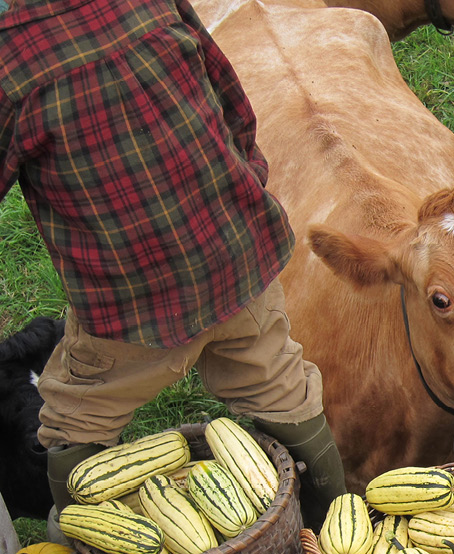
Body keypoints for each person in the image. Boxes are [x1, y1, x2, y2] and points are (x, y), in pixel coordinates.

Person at [0, 0, 347, 527]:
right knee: (281, 384)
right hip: (237, 250)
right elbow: (231, 98)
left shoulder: (9, 56)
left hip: (132, 301)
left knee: (76, 417)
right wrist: (244, 185)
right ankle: (334, 539)